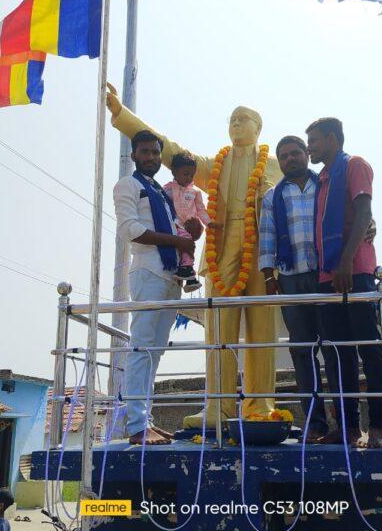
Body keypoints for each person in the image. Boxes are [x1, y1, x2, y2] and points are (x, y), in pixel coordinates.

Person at [107, 83, 282, 428]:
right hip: (219, 250)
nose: (235, 124)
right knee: (218, 328)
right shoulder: (212, 164)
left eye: (243, 119)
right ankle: (219, 406)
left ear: (258, 128)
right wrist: (121, 115)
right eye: (231, 119)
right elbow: (168, 150)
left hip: (261, 253)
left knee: (262, 329)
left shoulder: (275, 165)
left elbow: (307, 192)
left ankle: (261, 405)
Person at [306, 117, 382, 448]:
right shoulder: (322, 179)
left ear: (331, 139)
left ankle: (379, 427)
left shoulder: (354, 165)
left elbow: (364, 214)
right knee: (338, 355)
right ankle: (349, 428)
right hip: (328, 276)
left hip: (355, 272)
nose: (309, 146)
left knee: (369, 348)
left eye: (313, 140)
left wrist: (345, 263)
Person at [113, 130, 195, 445]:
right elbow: (129, 229)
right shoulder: (128, 185)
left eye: (155, 153)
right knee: (141, 348)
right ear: (134, 155)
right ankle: (135, 427)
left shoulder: (162, 191)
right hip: (147, 271)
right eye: (145, 152)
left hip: (171, 274)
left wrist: (190, 232)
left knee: (155, 352)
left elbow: (178, 230)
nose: (150, 158)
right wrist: (175, 240)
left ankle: (145, 420)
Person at [259, 136, 328, 442]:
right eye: (284, 156)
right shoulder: (273, 196)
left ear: (306, 155)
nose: (290, 159)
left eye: (295, 153)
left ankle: (346, 425)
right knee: (302, 350)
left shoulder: (326, 185)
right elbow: (267, 237)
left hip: (325, 275)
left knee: (335, 348)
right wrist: (268, 277)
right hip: (290, 277)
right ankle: (315, 423)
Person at [163, 152, 213, 292]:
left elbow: (201, 210)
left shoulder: (195, 192)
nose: (189, 178)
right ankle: (188, 275)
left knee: (187, 242)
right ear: (174, 172)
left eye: (192, 175)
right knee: (183, 245)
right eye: (185, 174)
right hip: (172, 224)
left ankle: (187, 272)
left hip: (188, 226)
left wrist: (209, 223)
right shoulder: (167, 189)